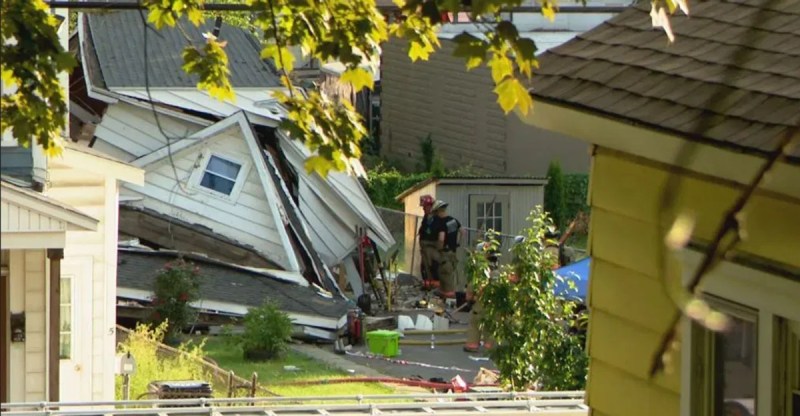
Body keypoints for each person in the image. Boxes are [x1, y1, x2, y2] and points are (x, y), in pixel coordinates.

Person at [432, 200, 461, 299]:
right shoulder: (453, 220)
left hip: (445, 255)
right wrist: (457, 243)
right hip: (453, 253)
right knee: (450, 277)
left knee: (445, 278)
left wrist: (438, 248)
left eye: (435, 213)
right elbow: (463, 231)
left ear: (439, 211)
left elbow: (441, 238)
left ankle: (449, 301)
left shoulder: (442, 223)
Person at [417, 195, 439, 289]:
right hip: (425, 249)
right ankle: (427, 286)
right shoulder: (426, 217)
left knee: (433, 268)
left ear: (430, 206)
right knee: (424, 268)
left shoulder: (436, 218)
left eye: (425, 207)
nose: (423, 209)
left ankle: (435, 288)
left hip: (432, 249)